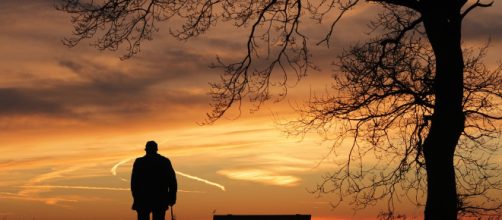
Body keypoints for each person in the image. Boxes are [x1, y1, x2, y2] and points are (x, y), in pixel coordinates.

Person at [131, 141, 177, 220]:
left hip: (144, 199)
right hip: (159, 199)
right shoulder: (164, 161)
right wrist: (172, 197)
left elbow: (134, 183)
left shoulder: (139, 162)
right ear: (156, 149)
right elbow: (172, 181)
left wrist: (136, 198)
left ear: (146, 149)